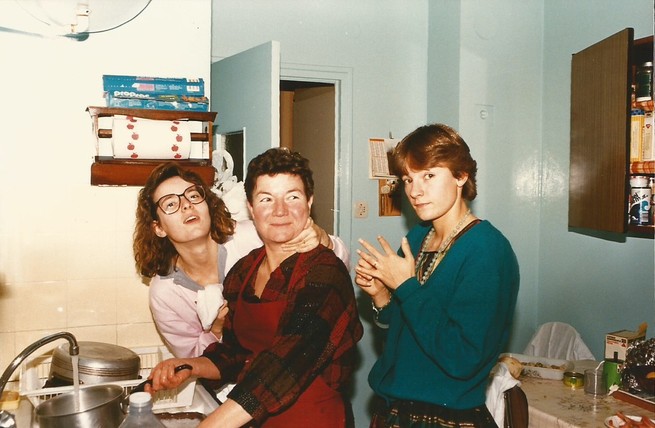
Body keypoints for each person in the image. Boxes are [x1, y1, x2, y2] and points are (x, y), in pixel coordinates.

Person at [145, 148, 363, 428]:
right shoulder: (244, 271)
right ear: (250, 208)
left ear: (309, 202)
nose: (280, 210)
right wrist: (189, 367)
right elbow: (236, 353)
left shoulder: (324, 272)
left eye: (292, 197)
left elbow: (286, 363)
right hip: (259, 419)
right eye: (266, 199)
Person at [355, 124, 520, 428]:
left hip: (444, 418)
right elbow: (406, 333)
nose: (414, 191)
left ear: (461, 176)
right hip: (395, 410)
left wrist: (405, 286)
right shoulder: (419, 237)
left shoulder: (487, 250)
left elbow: (462, 358)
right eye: (408, 179)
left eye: (428, 175)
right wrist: (381, 296)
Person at [134, 162, 350, 359]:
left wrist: (322, 239)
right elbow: (192, 360)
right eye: (170, 204)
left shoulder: (251, 237)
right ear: (158, 228)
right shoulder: (165, 294)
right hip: (225, 388)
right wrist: (216, 329)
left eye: (193, 195)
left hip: (292, 364)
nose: (187, 205)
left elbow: (341, 263)